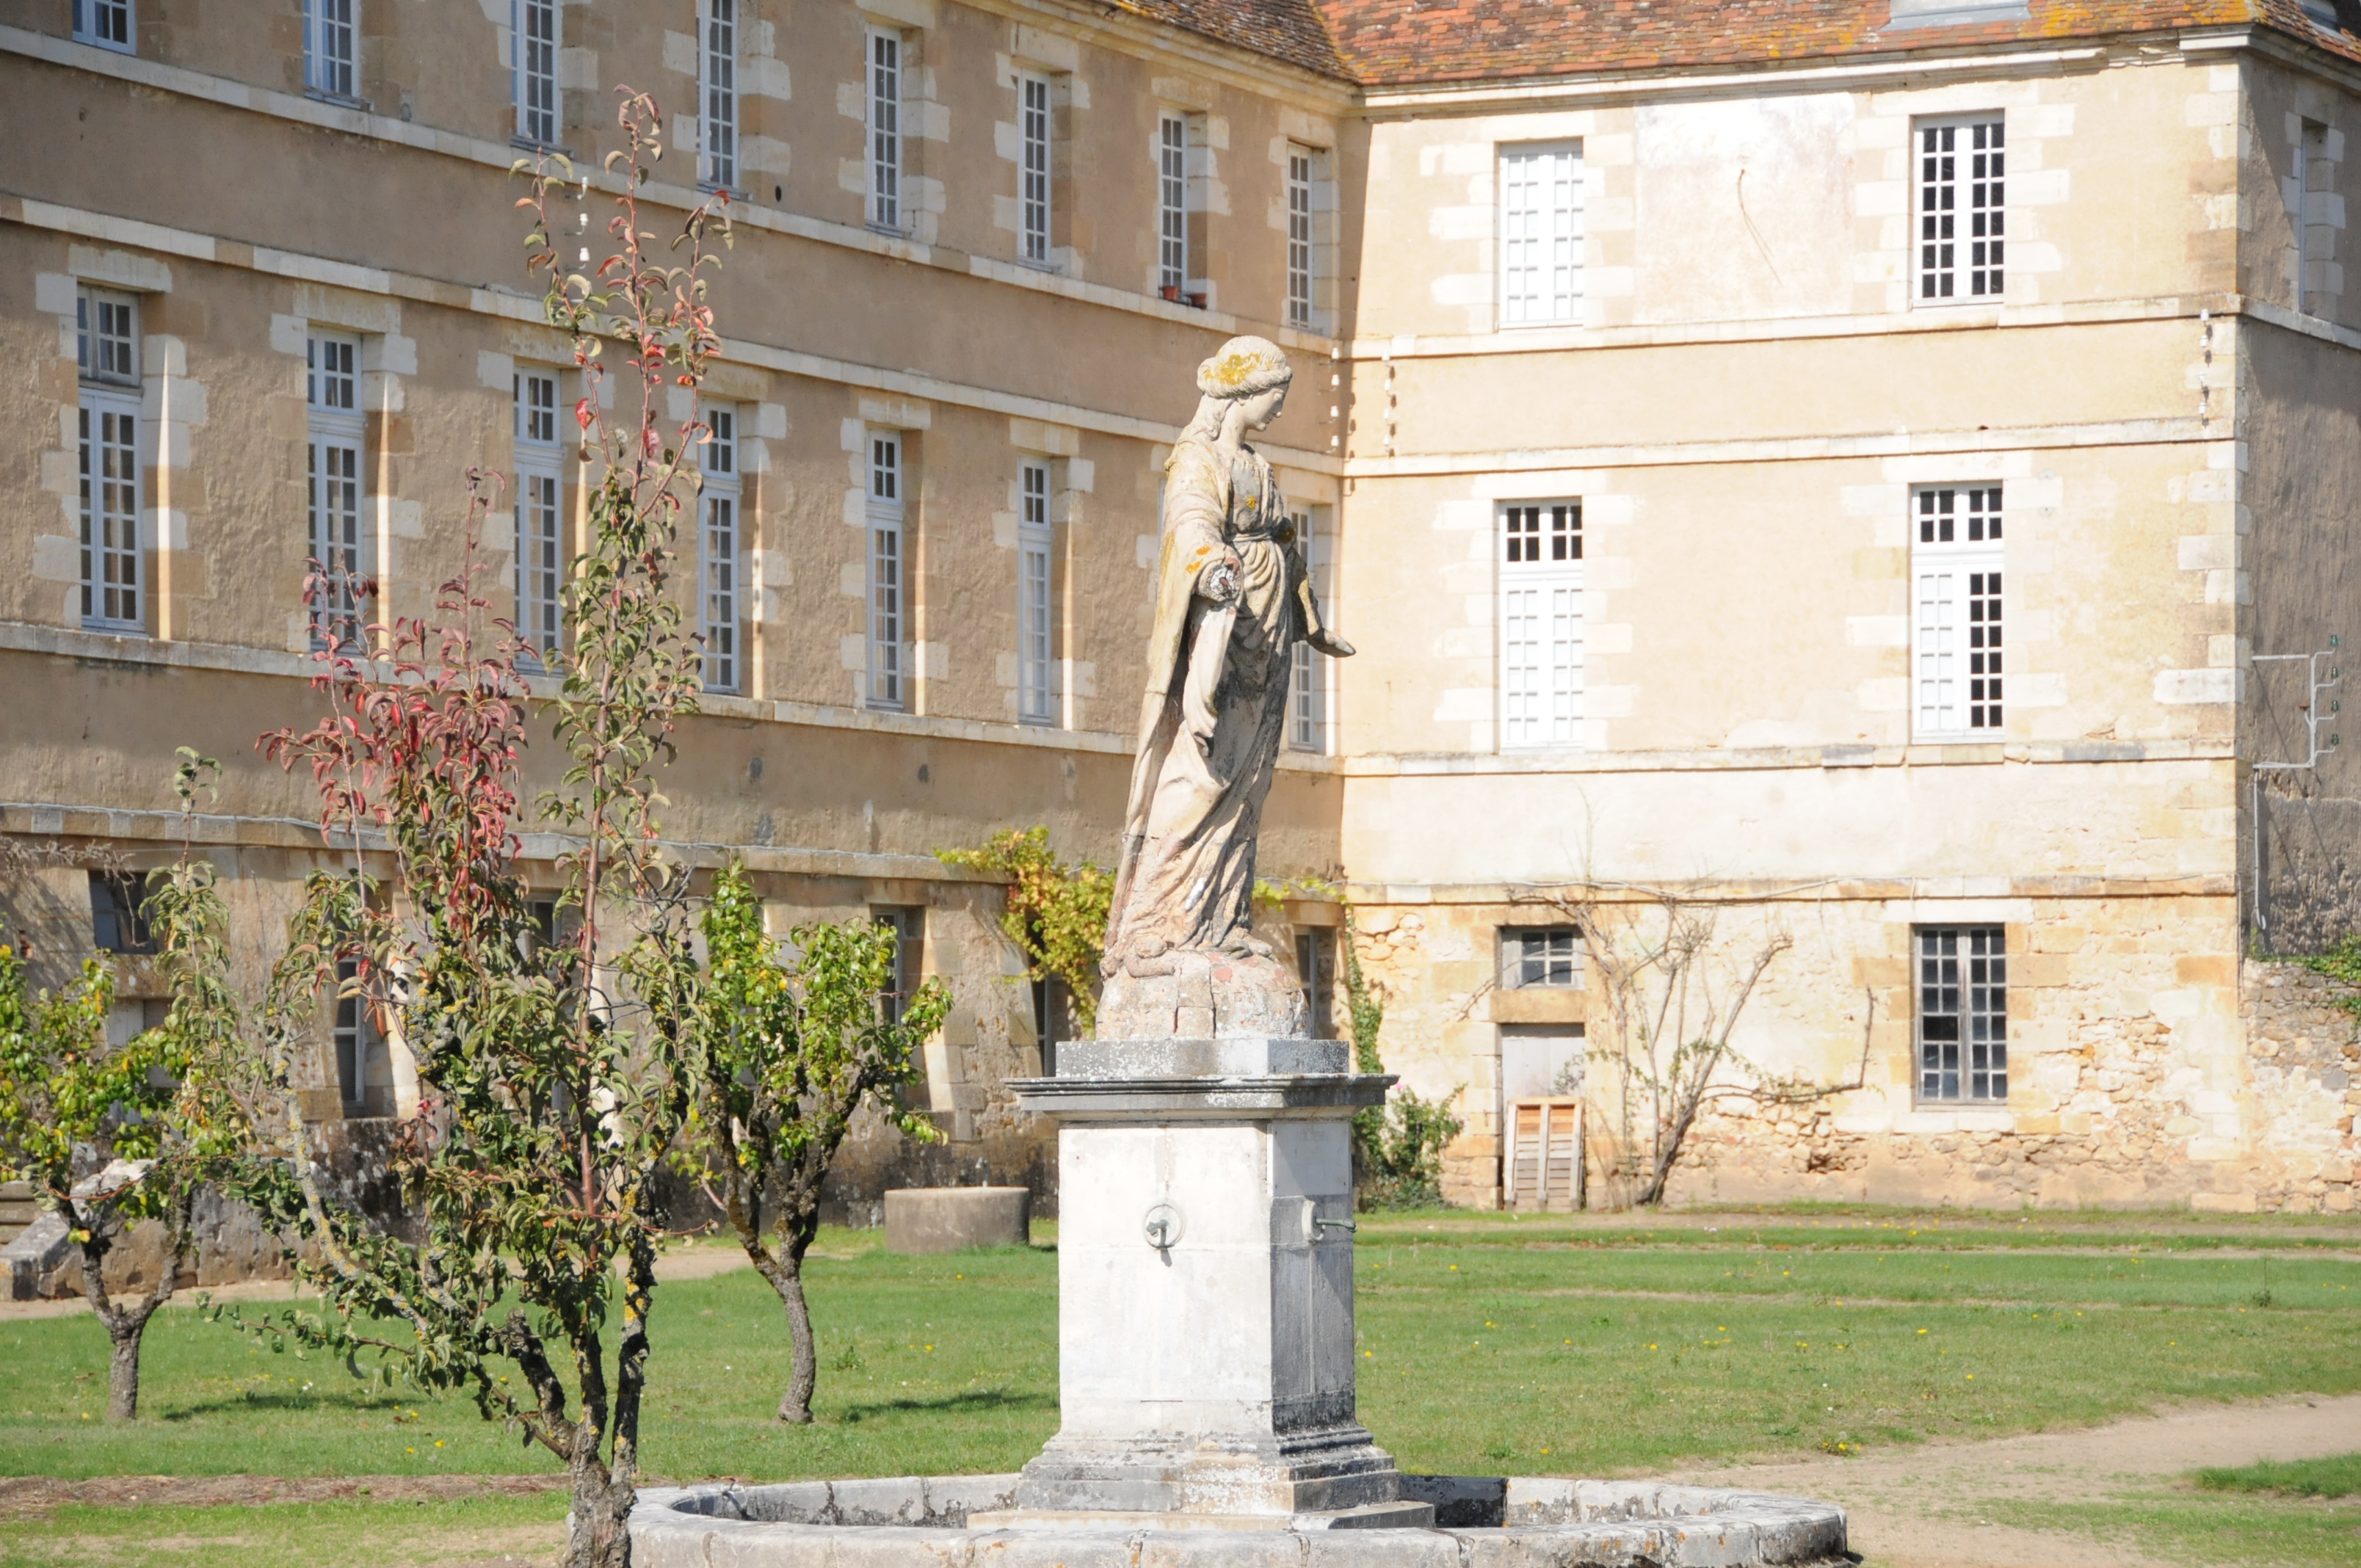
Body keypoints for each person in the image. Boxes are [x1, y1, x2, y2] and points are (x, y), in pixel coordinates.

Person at [1102, 335, 1353, 984]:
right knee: (1203, 773)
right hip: (1227, 633)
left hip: (1269, 640)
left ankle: (1220, 923)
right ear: (1246, 392)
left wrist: (1315, 624)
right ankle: (1155, 923)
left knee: (1249, 785)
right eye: (1276, 396)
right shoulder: (1197, 459)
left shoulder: (1258, 466)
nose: (1278, 409)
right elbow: (1191, 527)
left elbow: (1283, 544)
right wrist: (1213, 569)